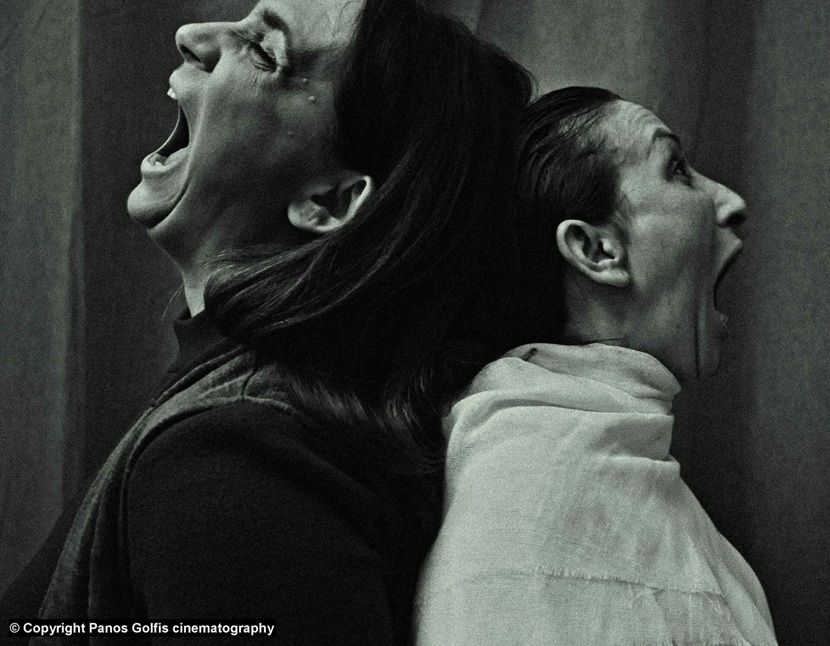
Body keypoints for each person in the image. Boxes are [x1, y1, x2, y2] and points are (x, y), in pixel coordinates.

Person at [0, 0, 531, 643]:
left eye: (262, 51)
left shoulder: (237, 465)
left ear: (329, 200)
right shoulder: (241, 422)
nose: (191, 35)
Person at [414, 87, 779, 645]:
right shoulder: (527, 498)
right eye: (676, 170)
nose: (730, 202)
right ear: (597, 251)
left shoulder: (606, 469)